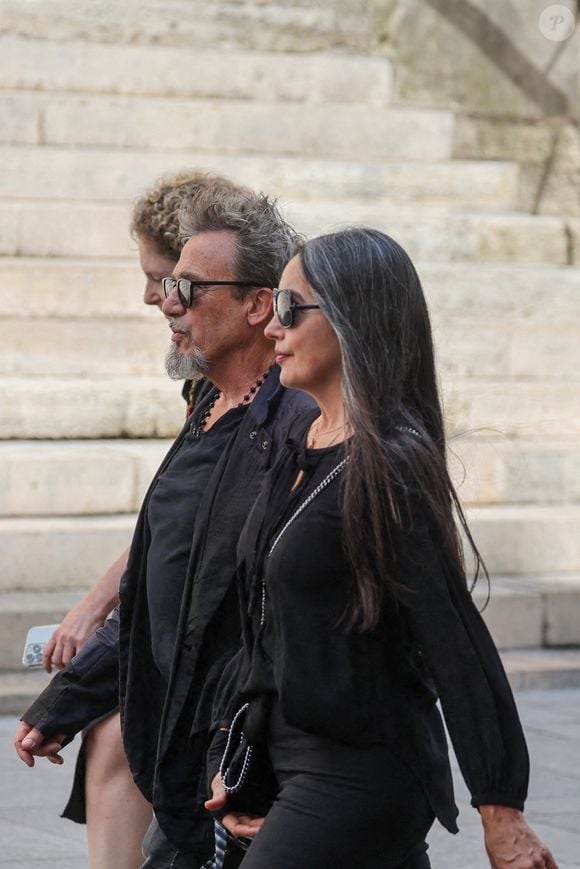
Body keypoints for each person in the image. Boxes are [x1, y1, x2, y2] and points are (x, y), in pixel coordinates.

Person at [205, 228, 558, 869]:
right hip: (292, 763)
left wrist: (501, 812)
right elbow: (265, 626)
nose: (271, 330)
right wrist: (243, 761)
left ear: (350, 319)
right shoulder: (300, 445)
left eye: (288, 309)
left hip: (359, 771)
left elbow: (454, 640)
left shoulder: (388, 466)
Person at [14, 180, 314, 868]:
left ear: (256, 304)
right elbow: (163, 577)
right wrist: (69, 696)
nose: (164, 303)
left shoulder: (292, 426)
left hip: (239, 758)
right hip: (190, 742)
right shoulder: (208, 398)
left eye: (182, 285)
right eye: (163, 282)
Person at [34, 170, 240, 869]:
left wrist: (99, 615)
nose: (152, 296)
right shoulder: (206, 381)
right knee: (111, 726)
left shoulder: (258, 392)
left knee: (120, 730)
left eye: (164, 279)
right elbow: (171, 523)